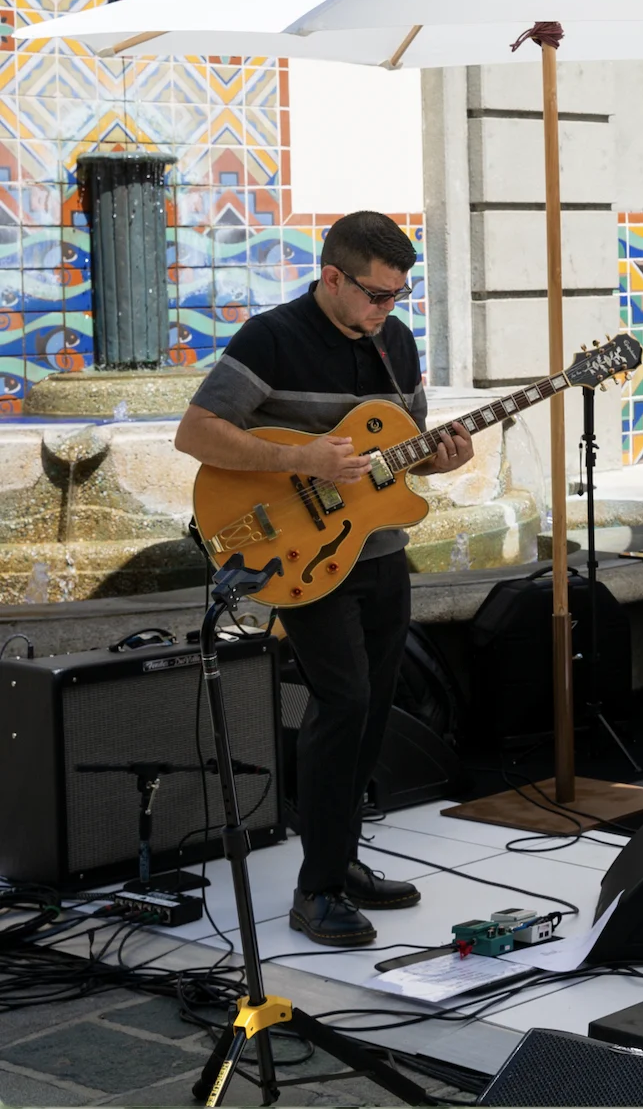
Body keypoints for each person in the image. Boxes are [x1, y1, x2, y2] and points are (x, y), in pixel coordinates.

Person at [174, 212, 473, 947]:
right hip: (301, 558)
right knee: (344, 702)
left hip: (377, 549)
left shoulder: (396, 343)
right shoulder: (272, 337)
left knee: (373, 709)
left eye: (398, 295)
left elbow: (405, 450)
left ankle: (341, 859)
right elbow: (196, 432)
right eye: (376, 294)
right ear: (333, 277)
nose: (387, 309)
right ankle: (317, 892)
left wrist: (443, 459)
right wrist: (300, 460)